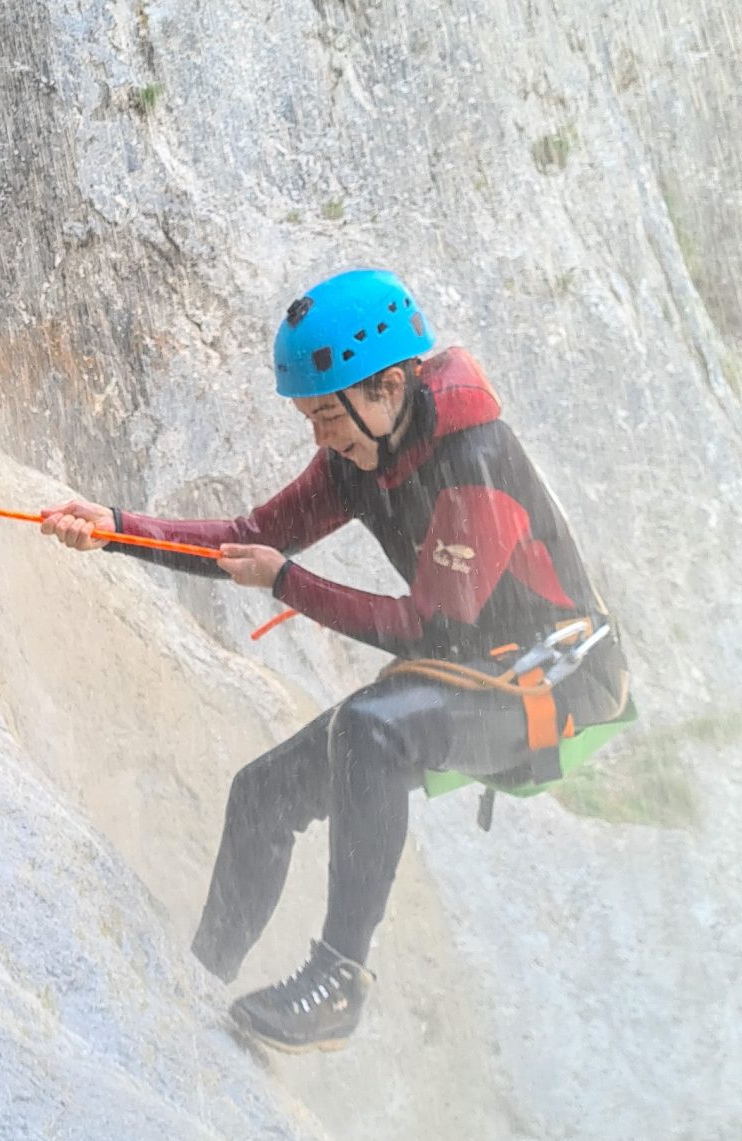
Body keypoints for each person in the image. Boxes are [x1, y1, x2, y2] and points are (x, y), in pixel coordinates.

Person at [39, 268, 631, 1053]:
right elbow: (247, 535)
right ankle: (198, 976)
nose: (319, 436)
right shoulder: (366, 455)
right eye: (309, 417)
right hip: (480, 666)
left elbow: (422, 624)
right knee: (262, 794)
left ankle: (338, 980)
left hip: (562, 680)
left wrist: (286, 581)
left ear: (388, 385)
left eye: (326, 414)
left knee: (370, 728)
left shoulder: (473, 455)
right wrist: (114, 527)